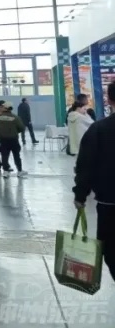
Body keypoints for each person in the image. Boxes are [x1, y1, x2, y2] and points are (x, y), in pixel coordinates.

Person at [73, 82, 115, 281]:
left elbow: (85, 165)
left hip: (110, 203)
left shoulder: (99, 129)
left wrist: (80, 195)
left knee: (111, 250)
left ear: (109, 100)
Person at [0, 104, 27, 177]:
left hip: (3, 139)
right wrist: (15, 131)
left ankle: (5, 171)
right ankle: (19, 171)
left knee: (4, 155)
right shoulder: (15, 117)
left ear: (4, 109)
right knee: (16, 155)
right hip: (13, 139)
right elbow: (22, 128)